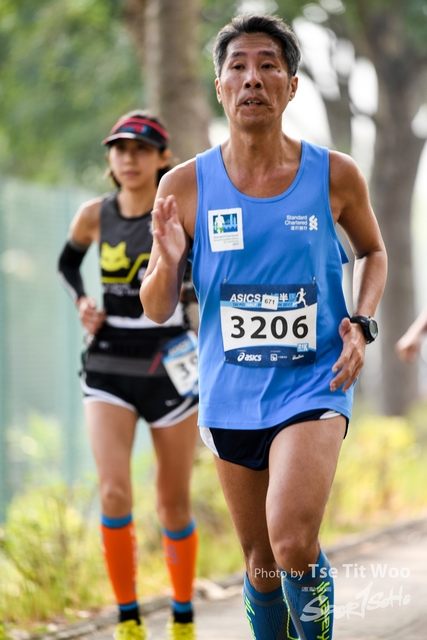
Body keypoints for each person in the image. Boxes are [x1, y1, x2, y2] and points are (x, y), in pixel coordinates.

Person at [140, 14, 387, 640]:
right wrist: (168, 260)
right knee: (262, 564)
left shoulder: (334, 174)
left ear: (291, 86)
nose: (252, 78)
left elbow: (373, 251)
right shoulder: (184, 185)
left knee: (293, 542)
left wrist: (361, 322)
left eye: (268, 65)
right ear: (220, 87)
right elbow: (156, 307)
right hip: (231, 392)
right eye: (239, 67)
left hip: (315, 382)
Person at [58, 111, 199, 640]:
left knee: (172, 502)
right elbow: (67, 264)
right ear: (110, 159)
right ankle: (129, 620)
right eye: (120, 149)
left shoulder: (183, 209)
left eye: (141, 149)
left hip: (170, 364)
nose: (129, 158)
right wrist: (83, 302)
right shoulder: (94, 215)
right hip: (109, 364)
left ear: (163, 158)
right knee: (114, 492)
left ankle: (182, 617)